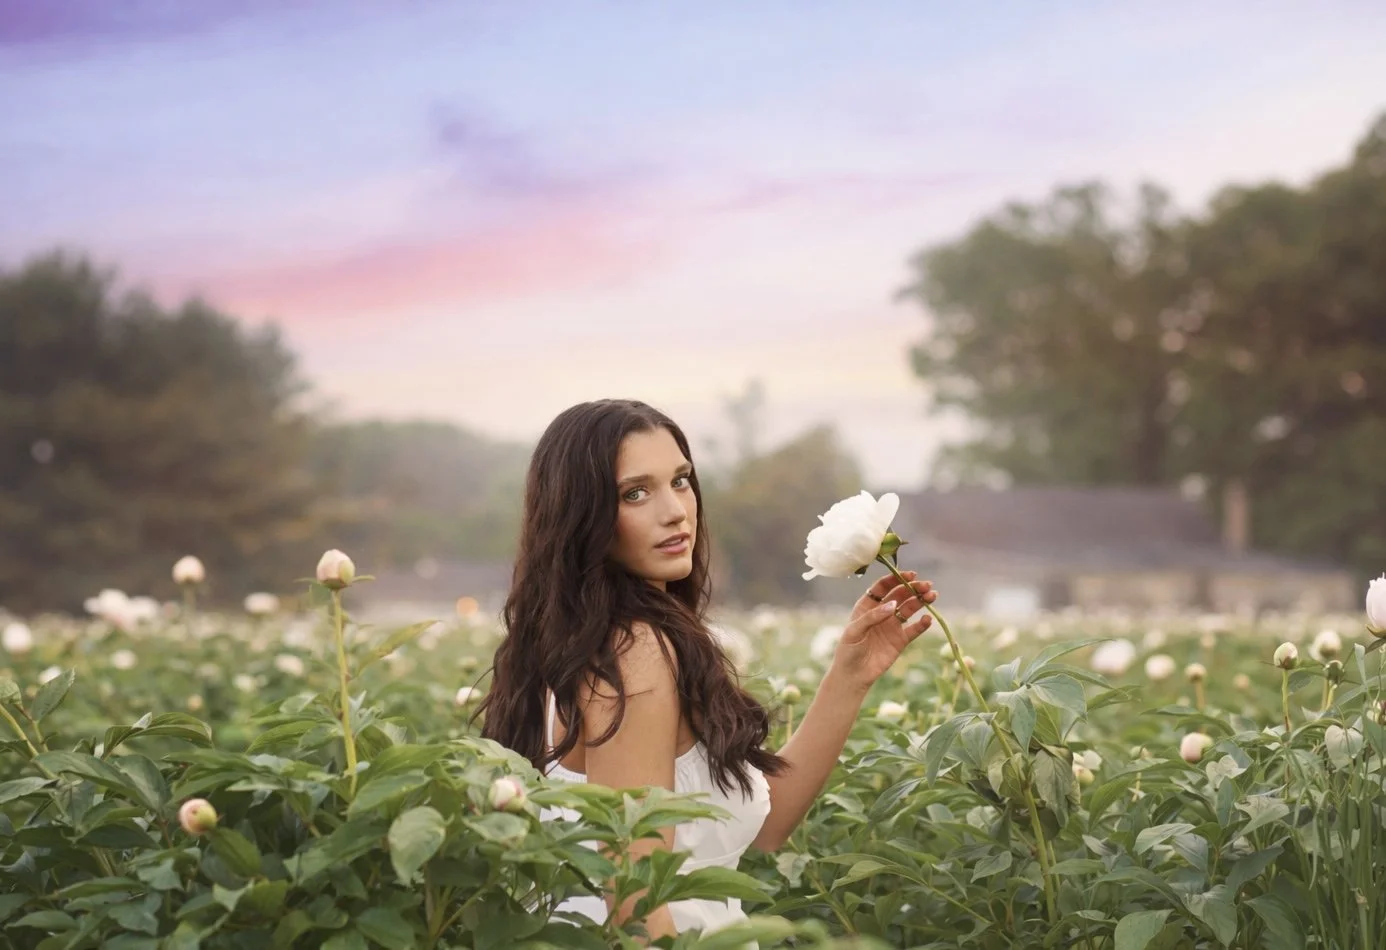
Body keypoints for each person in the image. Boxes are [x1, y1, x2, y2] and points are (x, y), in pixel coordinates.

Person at [479, 399, 935, 942]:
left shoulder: (579, 644)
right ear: (581, 517)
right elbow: (637, 907)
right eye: (635, 493)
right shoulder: (633, 653)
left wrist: (849, 675)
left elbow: (767, 826)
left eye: (681, 481)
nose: (675, 510)